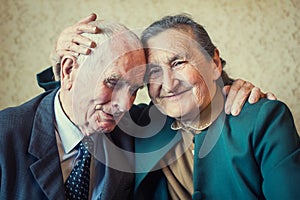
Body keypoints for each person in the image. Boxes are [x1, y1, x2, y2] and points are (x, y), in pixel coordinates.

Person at [133, 14, 300, 199]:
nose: (169, 84)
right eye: (154, 71)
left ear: (214, 63)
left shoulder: (264, 120)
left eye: (178, 63)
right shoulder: (140, 123)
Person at [0, 20, 146, 200]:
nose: (125, 105)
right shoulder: (5, 135)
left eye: (134, 90)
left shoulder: (131, 130)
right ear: (68, 70)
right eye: (112, 82)